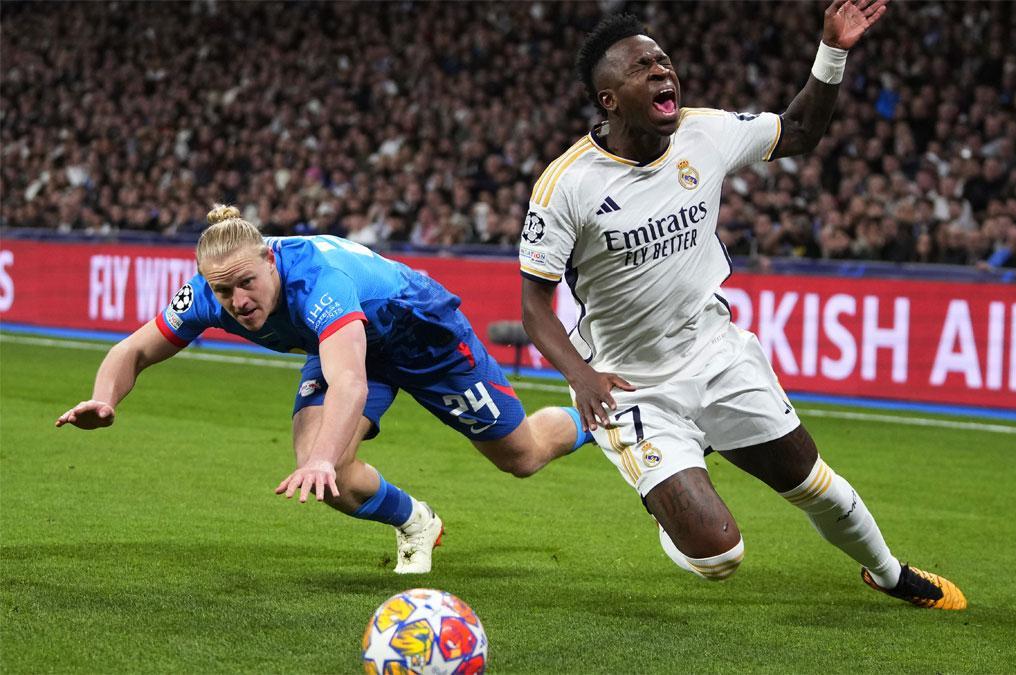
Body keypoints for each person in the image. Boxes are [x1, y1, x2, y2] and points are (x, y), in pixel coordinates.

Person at [519, 2, 967, 609]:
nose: (661, 72)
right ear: (609, 100)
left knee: (816, 486)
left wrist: (832, 51)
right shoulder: (566, 185)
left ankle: (890, 574)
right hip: (632, 386)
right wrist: (582, 376)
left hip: (718, 354)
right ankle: (670, 502)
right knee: (719, 556)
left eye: (664, 61)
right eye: (642, 68)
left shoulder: (707, 132)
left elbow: (800, 131)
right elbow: (534, 307)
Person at [57, 205, 591, 574]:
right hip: (347, 344)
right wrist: (106, 398)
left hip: (421, 333)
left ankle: (594, 419)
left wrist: (322, 456)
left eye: (247, 283)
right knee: (325, 471)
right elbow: (133, 351)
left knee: (521, 456)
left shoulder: (318, 281)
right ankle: (416, 522)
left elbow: (350, 383)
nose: (238, 301)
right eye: (224, 291)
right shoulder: (207, 293)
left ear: (271, 259)